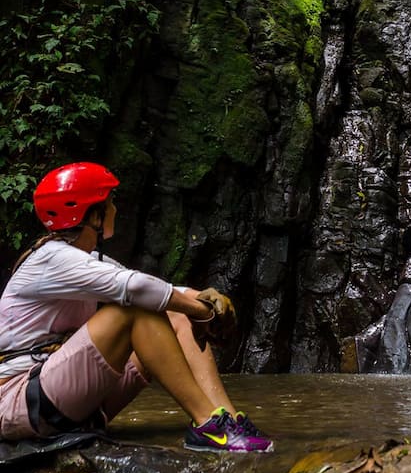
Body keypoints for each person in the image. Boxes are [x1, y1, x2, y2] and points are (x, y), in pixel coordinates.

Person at [0, 162, 272, 453]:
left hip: (58, 400)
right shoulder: (52, 259)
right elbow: (136, 289)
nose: (116, 208)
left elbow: (155, 288)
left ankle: (225, 420)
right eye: (110, 202)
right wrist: (201, 311)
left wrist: (205, 301)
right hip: (20, 400)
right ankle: (207, 423)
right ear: (93, 214)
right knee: (135, 311)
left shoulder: (82, 260)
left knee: (173, 313)